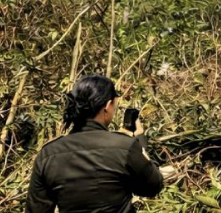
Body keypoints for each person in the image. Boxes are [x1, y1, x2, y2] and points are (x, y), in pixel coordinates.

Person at [26, 75, 164, 213]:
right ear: (107, 106)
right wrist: (140, 143)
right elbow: (152, 186)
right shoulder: (125, 146)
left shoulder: (48, 154)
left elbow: (36, 209)